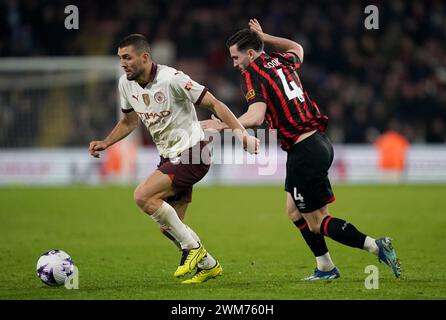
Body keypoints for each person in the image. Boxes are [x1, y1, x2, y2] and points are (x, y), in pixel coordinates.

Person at [201, 19, 401, 280]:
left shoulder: (253, 74)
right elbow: (297, 47)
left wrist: (223, 124)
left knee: (317, 221)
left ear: (250, 53)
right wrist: (264, 36)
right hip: (317, 143)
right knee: (294, 211)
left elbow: (256, 116)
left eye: (236, 57)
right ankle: (326, 267)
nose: (234, 63)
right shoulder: (281, 61)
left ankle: (375, 246)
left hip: (304, 150)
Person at [89, 34, 259, 284]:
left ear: (144, 57)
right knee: (169, 227)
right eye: (120, 58)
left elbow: (215, 104)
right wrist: (106, 142)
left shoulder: (173, 79)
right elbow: (129, 121)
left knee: (143, 196)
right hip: (169, 155)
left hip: (194, 152)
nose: (122, 63)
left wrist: (241, 135)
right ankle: (208, 265)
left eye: (127, 57)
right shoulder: (126, 84)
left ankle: (193, 248)